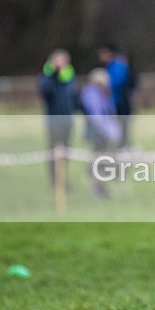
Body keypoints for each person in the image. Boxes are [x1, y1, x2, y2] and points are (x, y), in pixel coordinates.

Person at [38, 49, 79, 188]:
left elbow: (74, 98)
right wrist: (54, 74)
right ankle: (54, 182)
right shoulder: (47, 77)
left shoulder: (70, 77)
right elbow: (45, 91)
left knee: (65, 151)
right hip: (53, 119)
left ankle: (63, 180)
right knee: (53, 151)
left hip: (67, 119)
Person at [80, 68, 122, 198]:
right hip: (96, 133)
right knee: (98, 161)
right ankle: (96, 188)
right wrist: (110, 132)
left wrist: (114, 130)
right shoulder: (91, 93)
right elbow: (96, 116)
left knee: (102, 160)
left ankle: (100, 187)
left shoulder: (103, 93)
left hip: (102, 134)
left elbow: (109, 111)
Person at [97, 44, 134, 149]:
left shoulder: (118, 67)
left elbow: (117, 86)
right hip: (114, 107)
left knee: (121, 137)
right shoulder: (112, 67)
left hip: (120, 107)